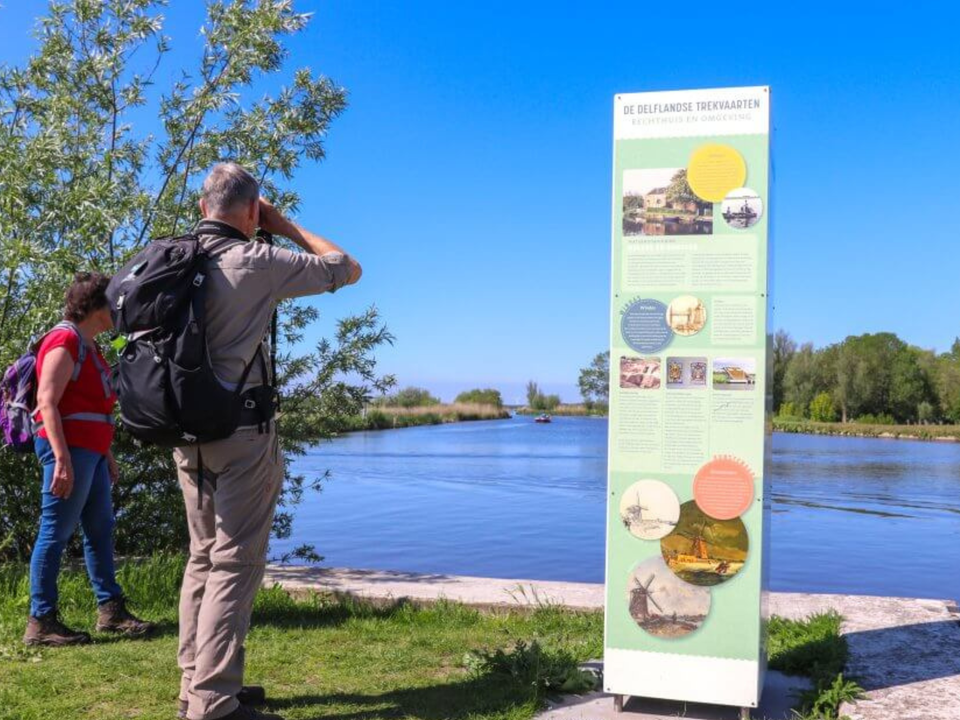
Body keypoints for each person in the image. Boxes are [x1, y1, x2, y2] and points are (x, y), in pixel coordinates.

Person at [174, 163, 361, 720]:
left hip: (184, 437)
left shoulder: (171, 259)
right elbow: (347, 268)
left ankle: (195, 684)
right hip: (241, 432)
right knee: (235, 563)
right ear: (251, 211)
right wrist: (283, 226)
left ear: (202, 208)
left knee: (202, 559)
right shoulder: (257, 260)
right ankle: (214, 702)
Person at [24, 273, 155, 646]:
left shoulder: (90, 345)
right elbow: (46, 402)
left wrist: (107, 454)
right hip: (68, 451)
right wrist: (62, 458)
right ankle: (41, 621)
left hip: (91, 452)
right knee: (56, 532)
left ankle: (110, 611)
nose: (119, 309)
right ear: (98, 305)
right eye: (114, 302)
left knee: (100, 529)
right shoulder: (63, 339)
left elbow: (93, 407)